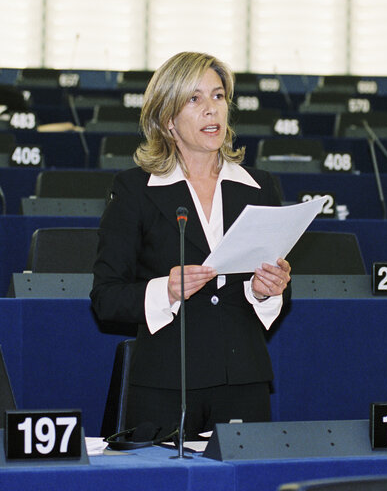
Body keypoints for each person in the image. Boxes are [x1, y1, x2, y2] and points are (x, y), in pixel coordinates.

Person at [90, 52, 291, 440]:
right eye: (194, 99)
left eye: (218, 97)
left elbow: (273, 289)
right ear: (168, 120)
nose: (211, 110)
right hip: (166, 384)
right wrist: (163, 290)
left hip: (243, 382)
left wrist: (266, 290)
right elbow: (106, 297)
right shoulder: (134, 190)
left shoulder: (261, 186)